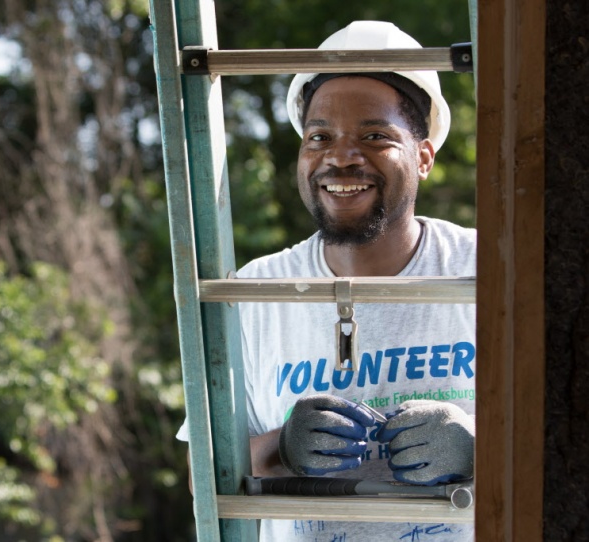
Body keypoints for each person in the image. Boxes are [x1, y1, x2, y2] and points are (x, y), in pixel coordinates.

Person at [178, 20, 476, 542]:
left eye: (374, 135)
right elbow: (198, 479)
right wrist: (280, 448)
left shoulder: (490, 273)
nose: (341, 155)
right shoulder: (251, 292)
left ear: (424, 157)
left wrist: (480, 446)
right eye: (320, 136)